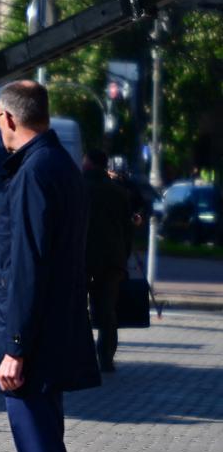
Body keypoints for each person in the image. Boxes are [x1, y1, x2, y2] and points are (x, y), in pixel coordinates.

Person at [0, 81, 100, 452]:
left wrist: (15, 345)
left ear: (9, 119)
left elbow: (29, 266)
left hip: (31, 349)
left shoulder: (34, 171)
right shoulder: (60, 164)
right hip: (48, 341)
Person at [83, 149, 133, 372]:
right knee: (107, 311)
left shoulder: (79, 189)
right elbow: (128, 229)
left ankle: (82, 355)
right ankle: (106, 356)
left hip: (83, 258)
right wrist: (124, 257)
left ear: (90, 164)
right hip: (113, 260)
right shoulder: (119, 192)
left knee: (77, 308)